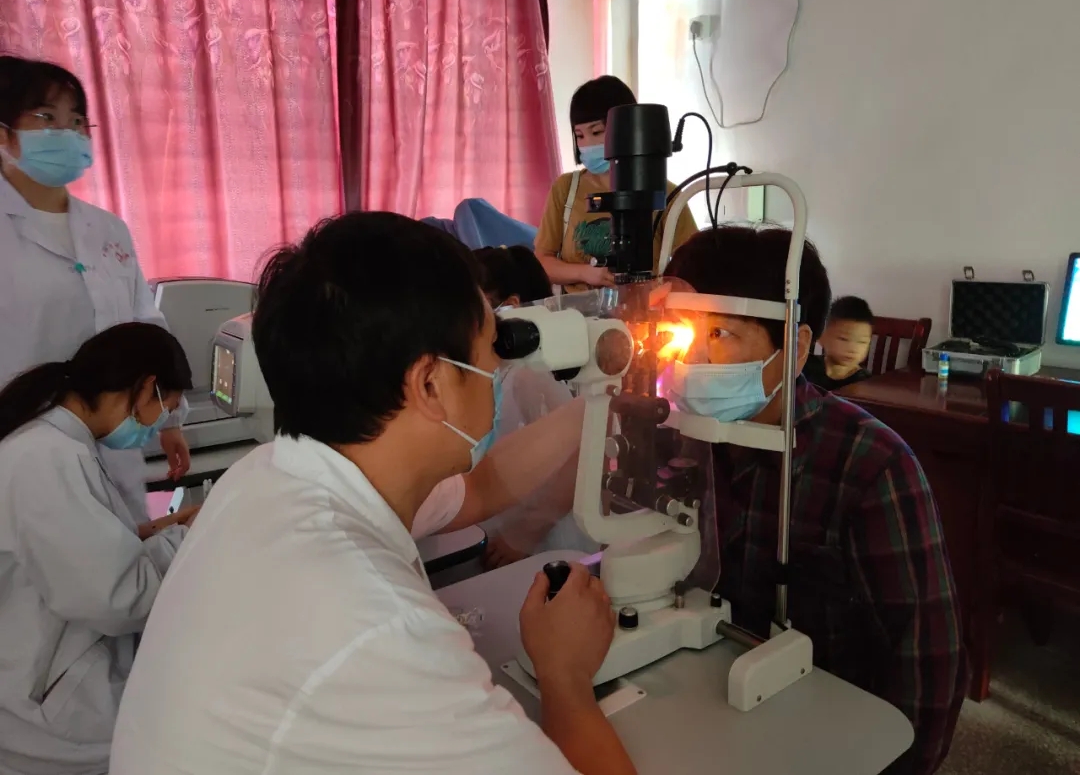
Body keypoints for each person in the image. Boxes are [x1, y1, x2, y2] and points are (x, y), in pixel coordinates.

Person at [110, 212, 636, 775]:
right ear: (431, 384)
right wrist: (564, 675)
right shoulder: (381, 629)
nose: (500, 361)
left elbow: (481, 489)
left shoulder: (269, 477)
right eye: (493, 343)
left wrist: (598, 400)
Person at [664, 226, 967, 775]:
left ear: (797, 345)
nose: (692, 358)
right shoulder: (677, 438)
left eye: (720, 333)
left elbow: (928, 659)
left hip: (825, 734)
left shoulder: (871, 467)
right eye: (680, 332)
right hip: (703, 706)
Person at [0, 55, 190, 523]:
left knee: (122, 554)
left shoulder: (107, 230)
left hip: (113, 444)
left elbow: (145, 327)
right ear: (5, 135)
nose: (67, 132)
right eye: (46, 117)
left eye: (77, 120)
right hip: (22, 447)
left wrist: (166, 416)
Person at [0, 322, 194, 775]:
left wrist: (166, 527)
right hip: (51, 709)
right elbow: (121, 596)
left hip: (60, 666)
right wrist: (191, 538)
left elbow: (88, 545)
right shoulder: (45, 458)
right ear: (146, 388)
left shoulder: (57, 442)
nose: (155, 429)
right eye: (164, 411)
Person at [473, 246, 601, 568]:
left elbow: (580, 456)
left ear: (510, 308)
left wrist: (524, 533)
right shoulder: (496, 373)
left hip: (545, 540)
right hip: (509, 526)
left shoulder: (530, 374)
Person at [534, 76, 698, 292]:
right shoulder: (565, 189)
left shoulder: (666, 193)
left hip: (643, 307)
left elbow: (693, 262)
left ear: (627, 129)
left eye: (597, 132)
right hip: (577, 310)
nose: (587, 144)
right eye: (579, 135)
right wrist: (586, 273)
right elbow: (542, 262)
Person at [804, 295, 874, 392]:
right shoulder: (807, 366)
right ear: (821, 337)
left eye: (862, 342)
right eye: (844, 339)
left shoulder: (865, 381)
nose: (852, 349)